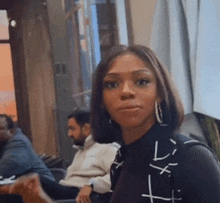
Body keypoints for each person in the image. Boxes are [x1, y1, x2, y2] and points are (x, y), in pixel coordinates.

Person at [1, 45, 220, 203]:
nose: (126, 91)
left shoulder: (189, 157)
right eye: (112, 84)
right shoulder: (121, 160)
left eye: (141, 81)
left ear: (160, 93)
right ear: (102, 99)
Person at [37, 109, 119, 203]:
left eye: (72, 129)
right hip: (67, 192)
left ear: (86, 129)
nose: (69, 134)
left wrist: (91, 184)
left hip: (80, 195)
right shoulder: (80, 152)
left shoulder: (106, 148)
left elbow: (118, 176)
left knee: (34, 179)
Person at [0, 114, 54, 180]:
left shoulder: (19, 142)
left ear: (12, 131)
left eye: (0, 129)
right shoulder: (3, 143)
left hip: (41, 184)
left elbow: (5, 168)